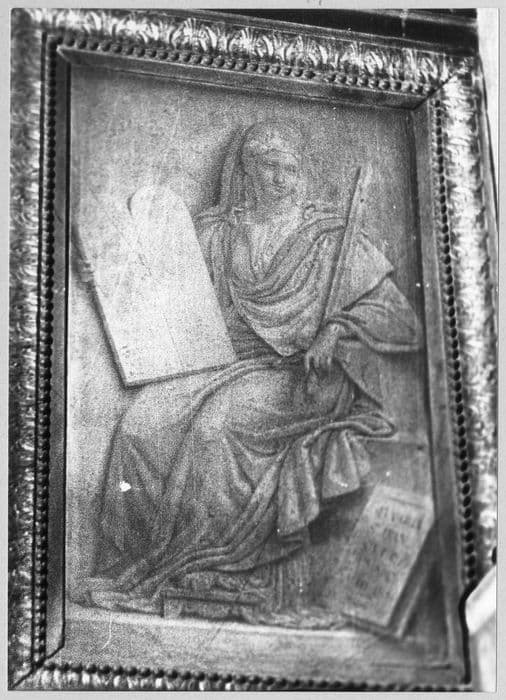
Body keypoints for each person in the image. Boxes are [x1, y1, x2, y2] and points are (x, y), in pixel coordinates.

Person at [89, 121, 421, 626]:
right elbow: (166, 302)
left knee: (217, 428)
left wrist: (336, 328)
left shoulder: (329, 237)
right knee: (140, 424)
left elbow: (399, 318)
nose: (281, 179)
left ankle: (216, 569)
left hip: (300, 378)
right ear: (246, 172)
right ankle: (137, 567)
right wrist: (113, 278)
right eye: (269, 167)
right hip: (225, 366)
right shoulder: (218, 233)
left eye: (290, 168)